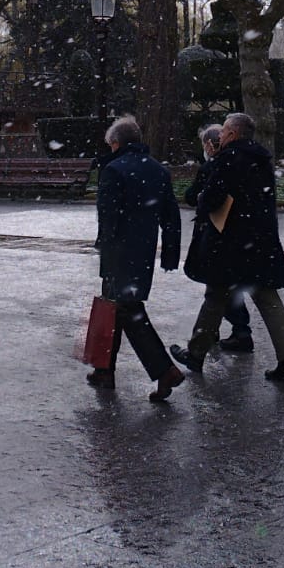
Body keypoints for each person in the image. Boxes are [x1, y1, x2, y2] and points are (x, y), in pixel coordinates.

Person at [171, 112, 284, 381]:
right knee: (268, 299)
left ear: (232, 133)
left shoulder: (228, 158)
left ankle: (195, 355)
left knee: (216, 295)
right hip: (262, 239)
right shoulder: (262, 158)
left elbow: (213, 197)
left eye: (224, 131)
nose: (219, 136)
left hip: (231, 242)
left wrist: (201, 197)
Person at [90, 115, 186, 402]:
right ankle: (104, 369)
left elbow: (108, 218)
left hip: (119, 252)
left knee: (126, 311)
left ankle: (165, 370)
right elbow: (171, 216)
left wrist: (105, 252)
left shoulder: (113, 170)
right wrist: (170, 253)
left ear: (116, 143)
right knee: (117, 308)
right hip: (143, 252)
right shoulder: (158, 170)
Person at [184, 123, 253, 351]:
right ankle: (227, 330)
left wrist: (200, 196)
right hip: (234, 234)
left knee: (216, 289)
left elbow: (194, 197)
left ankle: (216, 335)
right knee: (222, 287)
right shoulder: (239, 162)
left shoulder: (215, 166)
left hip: (216, 233)